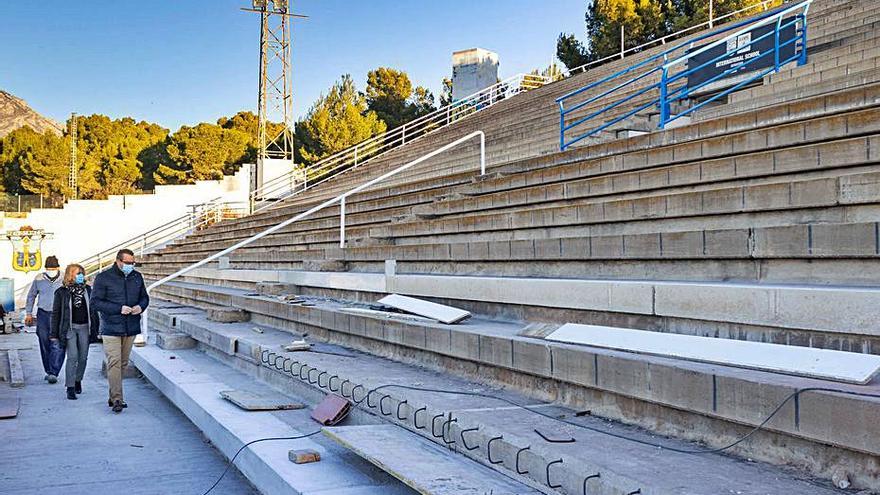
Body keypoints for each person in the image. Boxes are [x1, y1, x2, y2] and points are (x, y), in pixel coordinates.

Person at [91, 249, 149, 413]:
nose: (131, 265)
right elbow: (95, 303)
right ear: (118, 261)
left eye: (133, 263)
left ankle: (113, 395)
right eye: (128, 263)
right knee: (114, 361)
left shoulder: (137, 277)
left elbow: (145, 297)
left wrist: (140, 307)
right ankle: (117, 399)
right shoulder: (104, 278)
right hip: (111, 327)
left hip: (131, 326)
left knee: (123, 363)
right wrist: (118, 309)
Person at [50, 264, 99, 400]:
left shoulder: (88, 290)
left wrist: (97, 329)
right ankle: (70, 387)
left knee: (83, 358)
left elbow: (94, 311)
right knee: (72, 357)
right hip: (69, 328)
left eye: (82, 273)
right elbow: (56, 314)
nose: (81, 276)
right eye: (78, 273)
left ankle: (78, 379)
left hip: (85, 327)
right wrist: (54, 334)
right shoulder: (62, 292)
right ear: (70, 275)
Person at [25, 255, 64, 383]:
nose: (50, 270)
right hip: (43, 314)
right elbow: (31, 296)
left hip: (59, 314)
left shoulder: (64, 278)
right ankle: (48, 370)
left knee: (57, 343)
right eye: (48, 268)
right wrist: (29, 313)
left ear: (58, 268)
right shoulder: (39, 278)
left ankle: (54, 372)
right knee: (44, 342)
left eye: (52, 268)